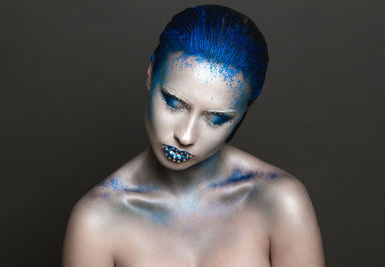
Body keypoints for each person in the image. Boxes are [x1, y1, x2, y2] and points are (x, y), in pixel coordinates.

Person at [62, 4, 325, 267]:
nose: (185, 136)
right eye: (173, 103)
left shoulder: (280, 202)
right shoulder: (98, 220)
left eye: (216, 119)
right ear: (151, 74)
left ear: (242, 115)